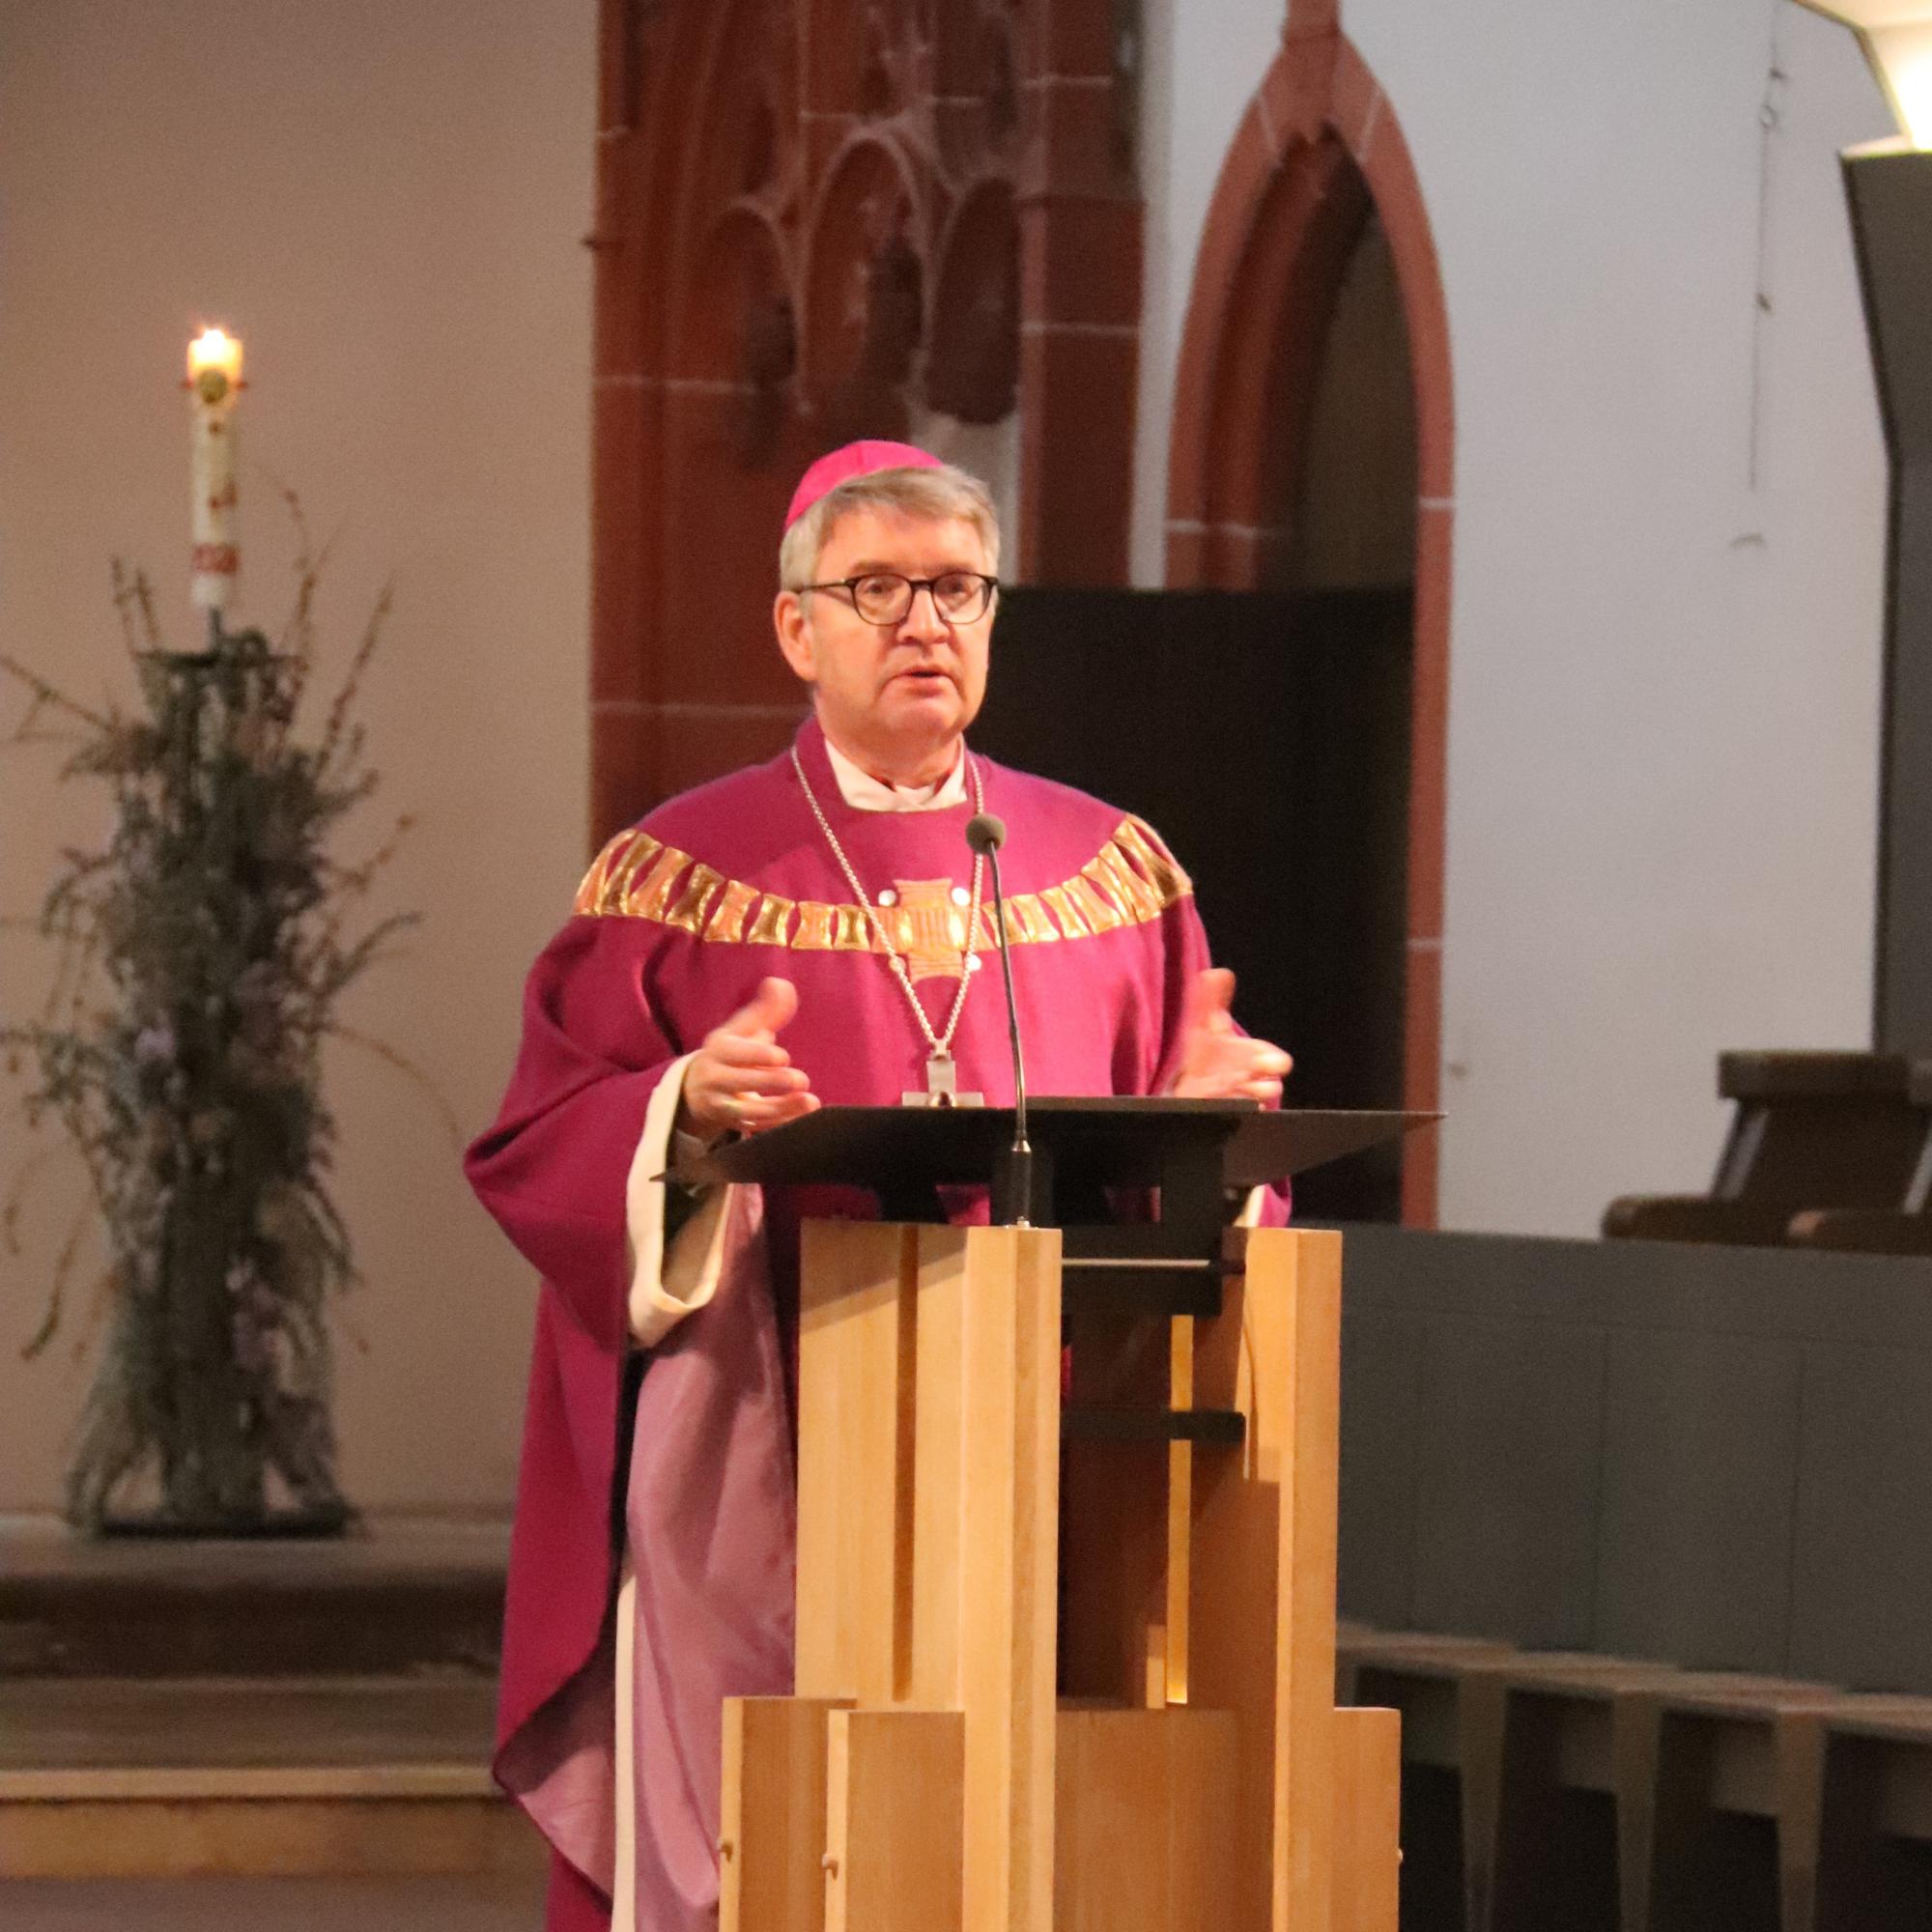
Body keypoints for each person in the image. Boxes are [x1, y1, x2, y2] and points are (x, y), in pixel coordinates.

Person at [466, 440, 1293, 1932]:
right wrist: (685, 1115)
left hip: (1043, 1456)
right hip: (757, 1448)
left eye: (959, 590)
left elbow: (1195, 1165)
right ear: (800, 629)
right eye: (880, 590)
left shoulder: (1112, 872)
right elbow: (543, 1140)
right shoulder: (678, 874)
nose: (927, 623)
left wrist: (1203, 1133)